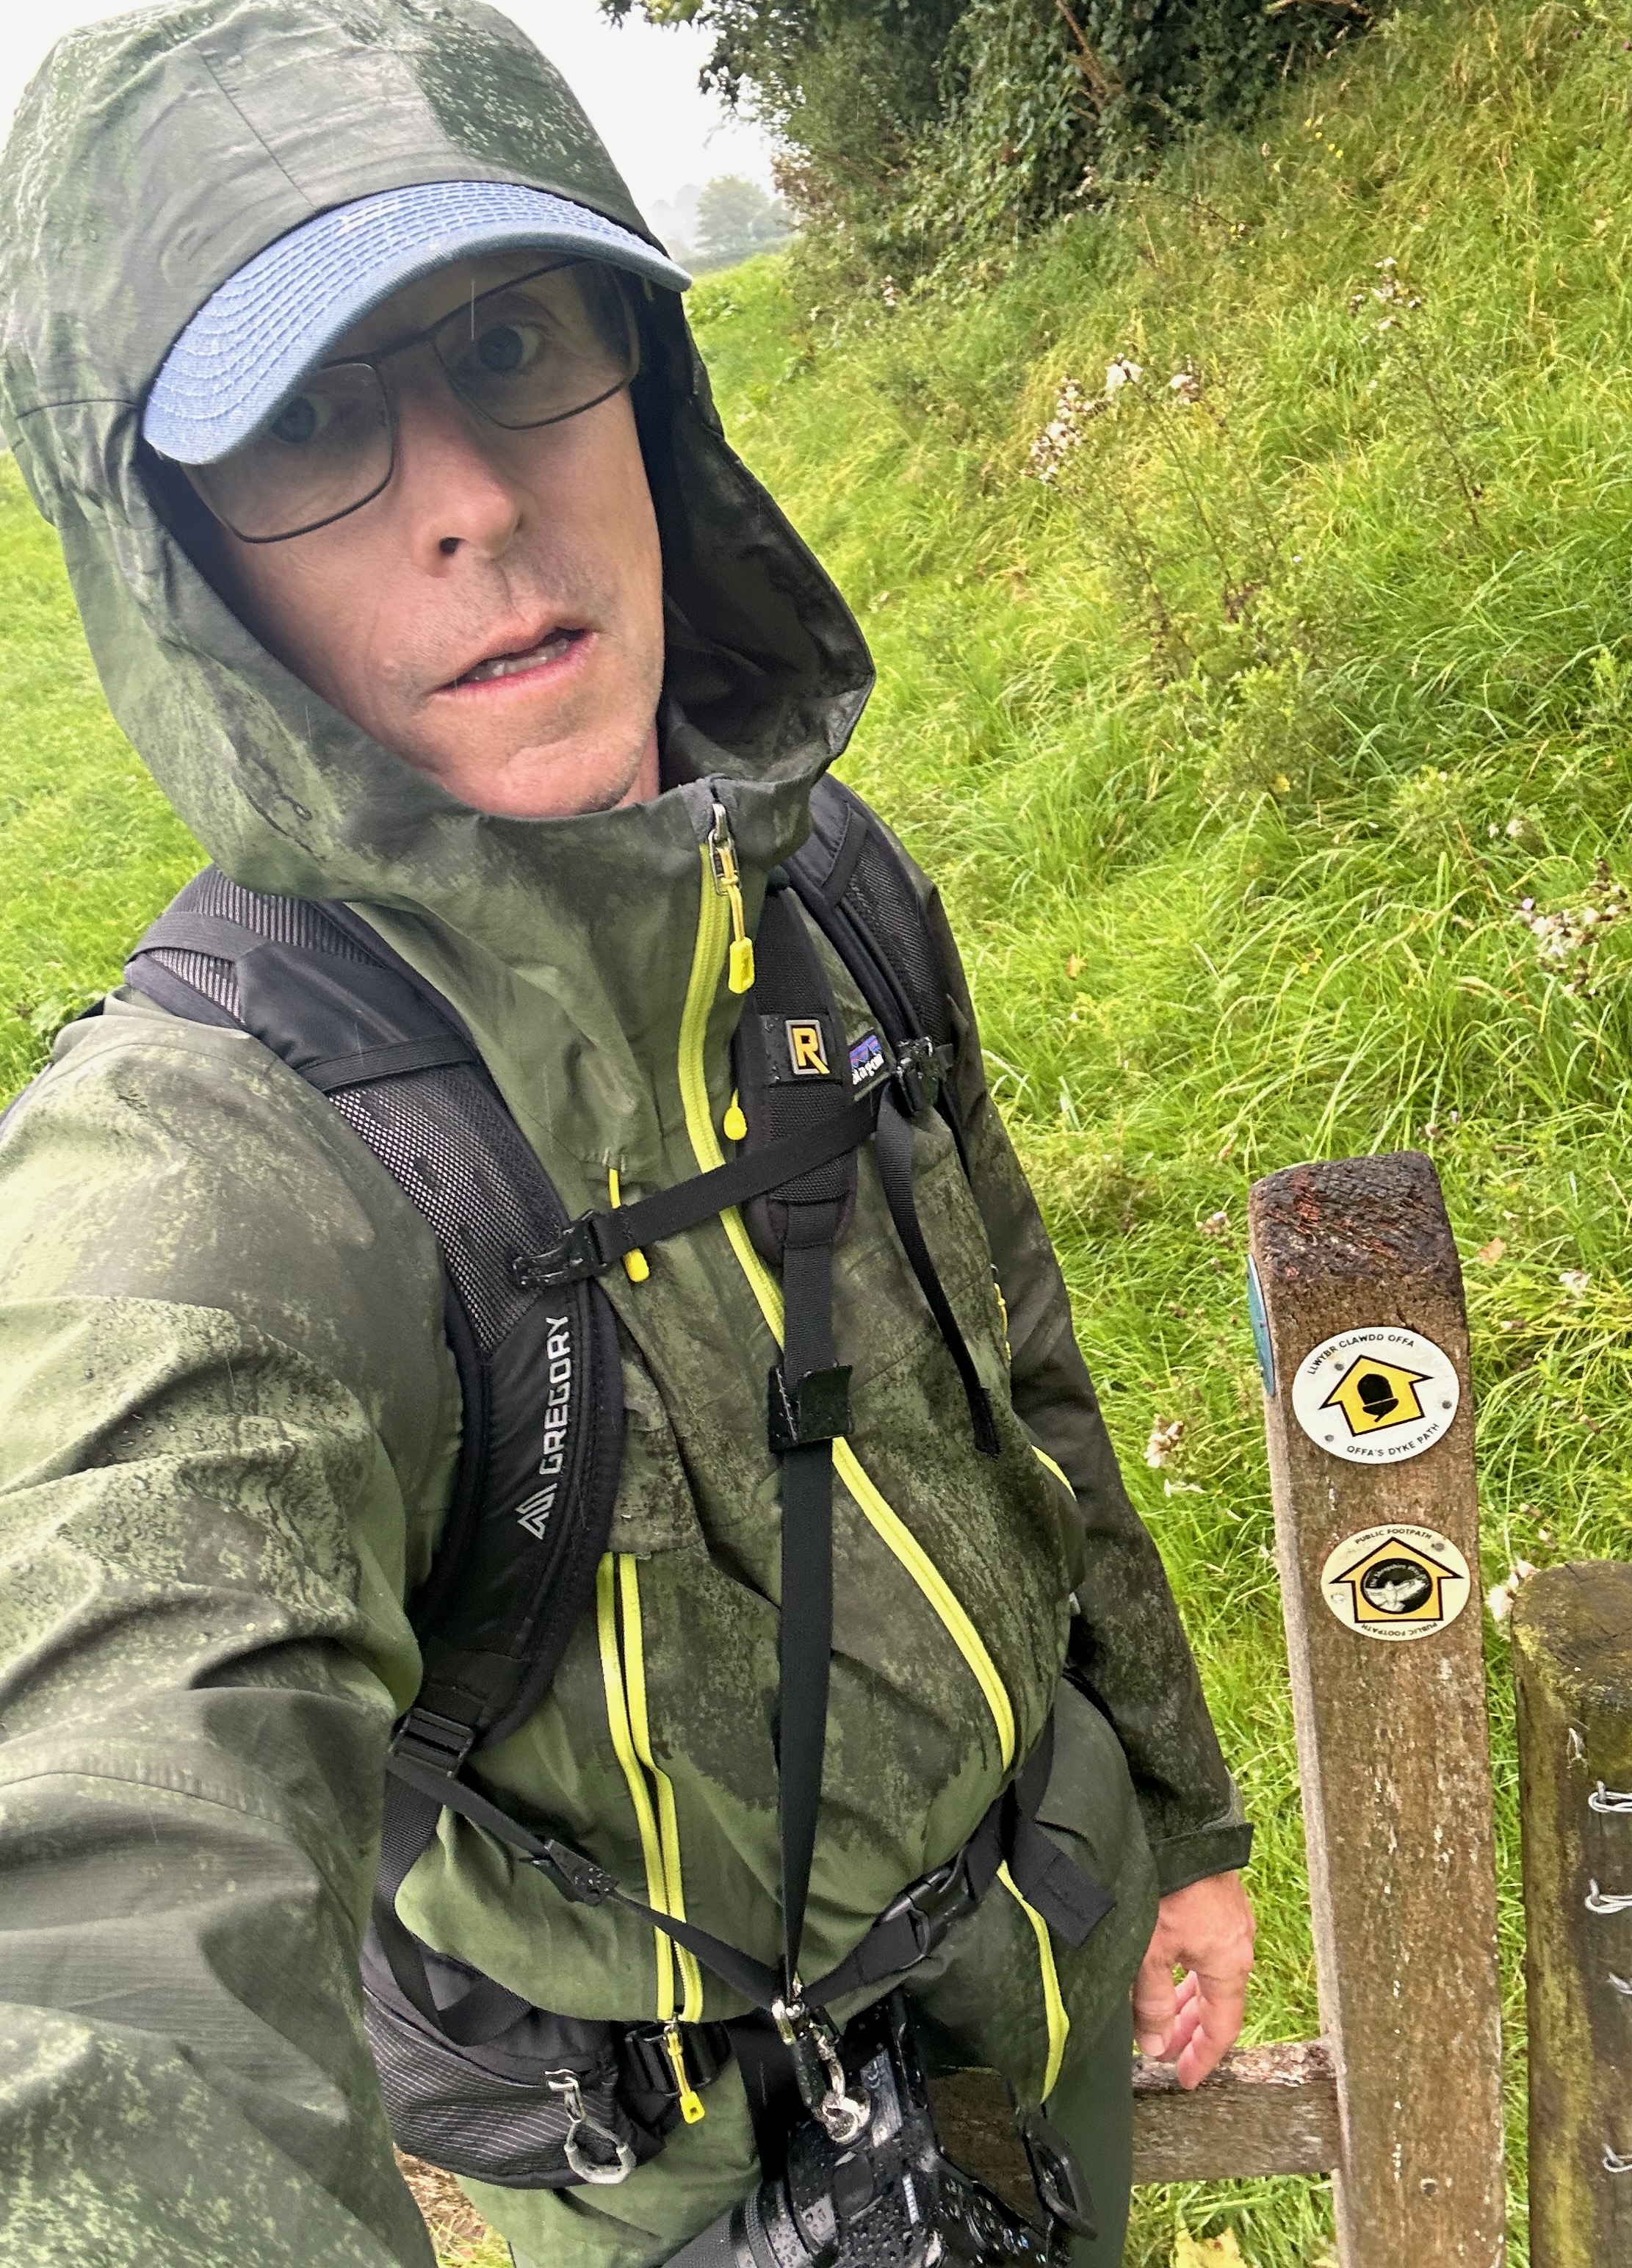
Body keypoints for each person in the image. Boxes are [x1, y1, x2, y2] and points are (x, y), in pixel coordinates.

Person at [0, 4, 1255, 2265]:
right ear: (175, 561)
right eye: (303, 424)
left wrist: (1174, 1816)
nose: (471, 499)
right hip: (685, 2167)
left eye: (509, 342)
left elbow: (1018, 1369)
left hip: (1035, 1969)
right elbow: (102, 1931)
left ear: (648, 387)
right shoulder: (217, 1178)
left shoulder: (819, 880)